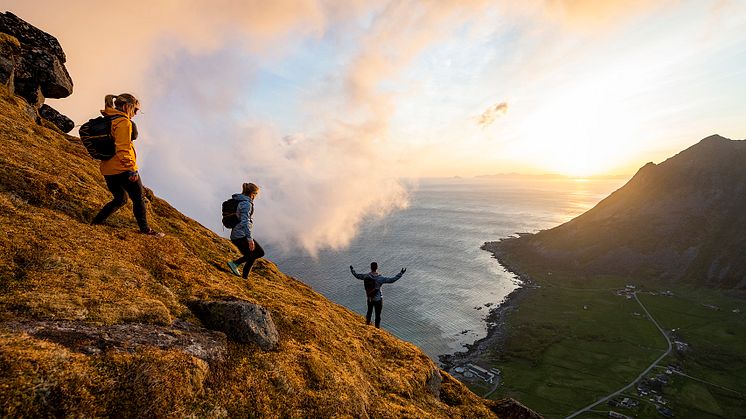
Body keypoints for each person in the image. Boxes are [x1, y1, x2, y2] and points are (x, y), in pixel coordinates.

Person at [91, 93, 164, 237]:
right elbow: (123, 148)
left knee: (120, 199)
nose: (136, 113)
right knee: (138, 198)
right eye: (135, 110)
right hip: (123, 168)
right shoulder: (123, 122)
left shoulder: (109, 116)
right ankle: (145, 230)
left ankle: (95, 222)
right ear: (126, 106)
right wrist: (131, 169)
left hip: (108, 169)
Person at [350, 262, 406, 328]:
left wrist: (352, 270)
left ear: (370, 267)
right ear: (377, 267)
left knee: (369, 312)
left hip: (370, 298)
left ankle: (367, 325)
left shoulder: (366, 276)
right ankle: (377, 329)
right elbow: (392, 280)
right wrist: (401, 273)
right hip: (378, 299)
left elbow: (357, 276)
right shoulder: (380, 278)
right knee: (378, 315)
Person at [227, 182, 265, 279]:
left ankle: (245, 278)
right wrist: (250, 239)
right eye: (256, 194)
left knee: (252, 254)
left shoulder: (241, 200)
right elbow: (245, 222)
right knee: (259, 252)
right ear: (252, 194)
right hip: (240, 235)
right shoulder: (246, 204)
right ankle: (235, 264)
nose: (256, 197)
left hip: (238, 233)